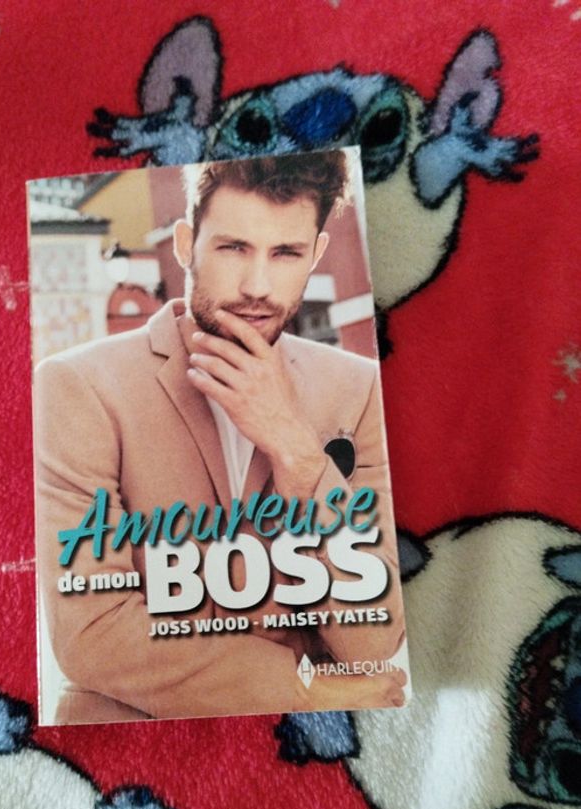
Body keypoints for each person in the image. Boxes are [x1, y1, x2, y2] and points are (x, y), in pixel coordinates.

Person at [34, 150, 406, 724]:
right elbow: (94, 635)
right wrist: (305, 688)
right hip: (135, 738)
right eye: (234, 248)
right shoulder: (79, 386)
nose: (257, 286)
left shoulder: (359, 392)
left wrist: (295, 449)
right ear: (186, 244)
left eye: (285, 253)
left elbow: (373, 640)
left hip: (316, 747)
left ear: (315, 255)